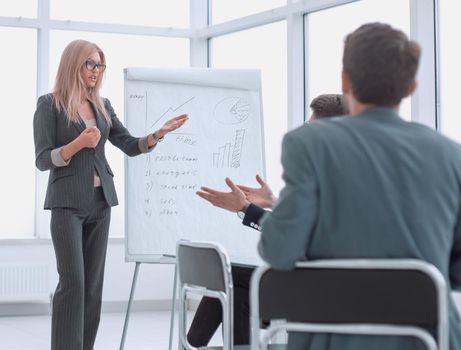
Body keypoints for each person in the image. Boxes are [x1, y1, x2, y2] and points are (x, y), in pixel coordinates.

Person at [257, 23, 461, 349]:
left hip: (331, 338)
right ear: (411, 87)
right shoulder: (459, 158)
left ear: (345, 81)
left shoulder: (308, 144)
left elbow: (279, 251)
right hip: (424, 340)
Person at [33, 40, 188, 350]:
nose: (96, 70)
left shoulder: (102, 105)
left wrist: (158, 134)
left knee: (92, 288)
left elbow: (129, 144)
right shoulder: (49, 104)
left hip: (100, 203)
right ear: (73, 64)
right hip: (66, 203)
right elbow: (42, 159)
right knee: (73, 283)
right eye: (90, 63)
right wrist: (78, 144)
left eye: (100, 65)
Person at [188, 94, 346, 347]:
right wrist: (273, 201)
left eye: (309, 126)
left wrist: (246, 209)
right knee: (235, 287)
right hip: (312, 280)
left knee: (228, 276)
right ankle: (195, 344)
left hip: (316, 289)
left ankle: (192, 344)